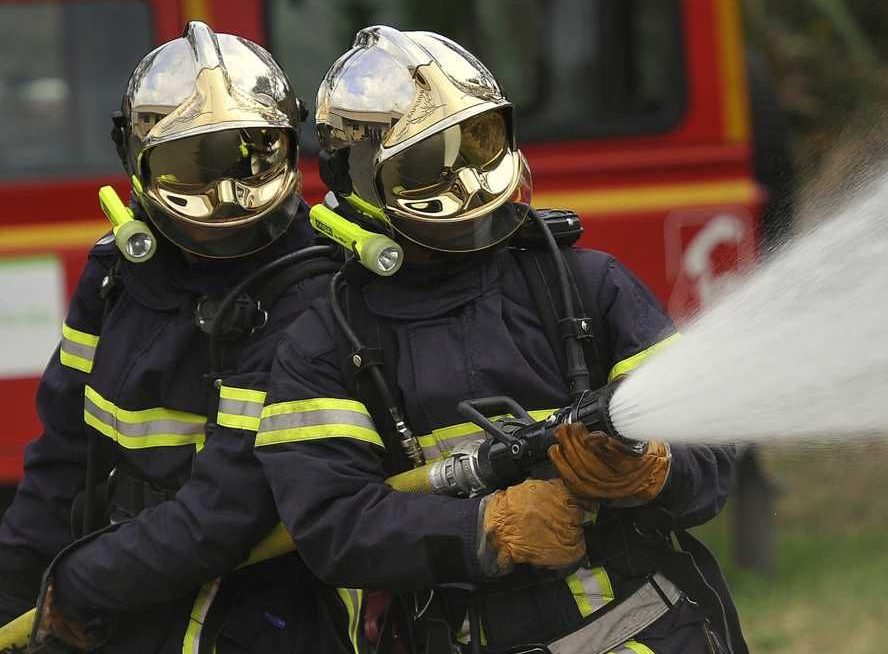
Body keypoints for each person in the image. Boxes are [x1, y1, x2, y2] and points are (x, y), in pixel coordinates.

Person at [255, 26, 746, 654]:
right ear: (356, 179)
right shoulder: (326, 343)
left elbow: (710, 449)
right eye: (427, 160)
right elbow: (333, 526)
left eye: (476, 142)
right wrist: (487, 527)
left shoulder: (585, 285)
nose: (461, 177)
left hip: (646, 626)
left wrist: (655, 470)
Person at [0, 22, 350, 653]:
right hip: (123, 591)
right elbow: (60, 457)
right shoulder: (115, 272)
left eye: (251, 154)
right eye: (190, 163)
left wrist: (77, 581)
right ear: (133, 157)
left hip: (257, 608)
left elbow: (233, 506)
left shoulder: (311, 293)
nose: (225, 196)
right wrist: (13, 591)